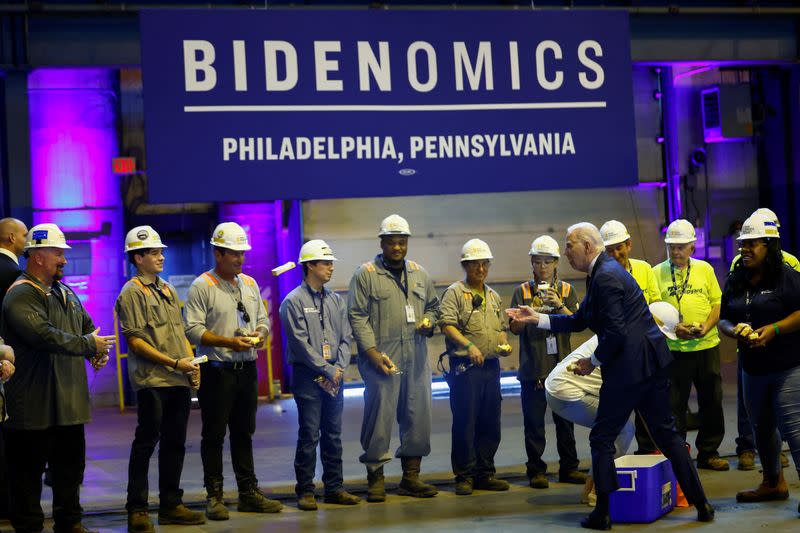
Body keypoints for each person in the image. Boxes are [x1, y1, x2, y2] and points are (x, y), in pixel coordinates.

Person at [506, 222, 713, 530]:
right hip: (650, 365)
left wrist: (592, 361)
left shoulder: (605, 277)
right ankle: (702, 504)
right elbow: (579, 320)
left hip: (629, 369)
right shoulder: (604, 272)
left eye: (569, 244)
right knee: (668, 436)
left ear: (588, 246)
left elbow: (614, 334)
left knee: (602, 438)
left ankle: (602, 513)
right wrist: (537, 318)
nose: (565, 251)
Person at [1, 223, 116, 533]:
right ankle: (29, 527)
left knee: (69, 469)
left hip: (67, 403)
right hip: (32, 406)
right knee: (27, 475)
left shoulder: (65, 292)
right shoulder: (20, 295)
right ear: (37, 255)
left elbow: (86, 327)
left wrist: (94, 348)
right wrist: (88, 345)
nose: (64, 259)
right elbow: (43, 336)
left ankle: (69, 522)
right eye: (57, 252)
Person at [184, 222, 281, 520]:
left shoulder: (249, 284)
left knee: (244, 433)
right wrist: (229, 341)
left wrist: (261, 334)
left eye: (242, 253)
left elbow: (263, 320)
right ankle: (214, 497)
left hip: (247, 369)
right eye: (233, 253)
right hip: (217, 371)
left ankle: (248, 493)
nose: (239, 259)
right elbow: (192, 330)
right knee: (213, 435)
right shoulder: (203, 285)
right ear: (218, 253)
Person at [546, 301, 681, 506]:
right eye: (661, 333)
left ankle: (591, 490)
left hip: (563, 388)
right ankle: (597, 491)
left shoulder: (625, 330)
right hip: (566, 391)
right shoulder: (627, 340)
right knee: (622, 430)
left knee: (616, 429)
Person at [115, 226, 205, 533]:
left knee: (175, 444)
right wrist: (174, 363)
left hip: (177, 378)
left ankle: (170, 505)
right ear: (138, 258)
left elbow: (177, 333)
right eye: (154, 252)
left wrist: (191, 365)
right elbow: (137, 343)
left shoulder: (167, 289)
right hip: (153, 380)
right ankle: (137, 509)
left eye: (160, 251)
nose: (161, 256)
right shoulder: (131, 293)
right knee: (145, 444)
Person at [348, 214, 440, 502]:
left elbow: (434, 307)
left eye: (402, 242)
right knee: (379, 418)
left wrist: (428, 320)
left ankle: (410, 477)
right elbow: (357, 316)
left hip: (416, 357)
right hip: (382, 360)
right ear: (382, 242)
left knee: (417, 416)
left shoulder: (420, 274)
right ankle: (375, 477)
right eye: (392, 242)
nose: (397, 248)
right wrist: (372, 353)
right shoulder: (365, 274)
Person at [718, 212, 800, 513]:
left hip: (788, 367)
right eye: (743, 244)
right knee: (762, 429)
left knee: (795, 429)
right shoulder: (737, 276)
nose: (745, 249)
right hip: (753, 369)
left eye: (753, 244)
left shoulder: (786, 275)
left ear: (770, 245)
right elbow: (725, 317)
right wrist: (734, 330)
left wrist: (774, 329)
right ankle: (773, 483)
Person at [279, 240, 361, 511]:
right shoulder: (293, 302)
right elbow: (300, 345)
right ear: (310, 266)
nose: (330, 268)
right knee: (309, 434)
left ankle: (335, 488)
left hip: (333, 374)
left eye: (330, 263)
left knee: (334, 434)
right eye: (326, 263)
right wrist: (327, 370)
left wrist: (337, 368)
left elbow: (346, 336)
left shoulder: (336, 300)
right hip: (308, 376)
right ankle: (305, 491)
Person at [652, 219, 728, 471]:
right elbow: (652, 311)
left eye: (681, 247)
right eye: (671, 247)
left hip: (706, 347)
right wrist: (674, 329)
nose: (675, 252)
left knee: (712, 402)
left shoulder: (705, 270)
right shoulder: (657, 272)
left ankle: (709, 452)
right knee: (674, 406)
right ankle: (678, 456)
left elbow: (717, 303)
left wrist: (706, 326)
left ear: (692, 247)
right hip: (673, 351)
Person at [508, 235, 583, 489]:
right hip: (533, 369)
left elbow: (575, 322)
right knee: (534, 424)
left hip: (561, 368)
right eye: (538, 262)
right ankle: (536, 471)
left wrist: (558, 305)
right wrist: (521, 318)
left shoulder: (566, 291)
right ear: (531, 263)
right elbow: (514, 329)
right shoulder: (522, 291)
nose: (542, 267)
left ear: (556, 263)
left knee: (566, 422)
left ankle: (569, 468)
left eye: (547, 262)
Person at [439, 239, 511, 495]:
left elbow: (501, 329)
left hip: (491, 368)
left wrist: (504, 345)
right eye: (474, 264)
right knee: (465, 422)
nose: (480, 269)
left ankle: (485, 473)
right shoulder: (455, 293)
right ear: (465, 265)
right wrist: (469, 346)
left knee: (491, 421)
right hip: (466, 370)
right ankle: (464, 476)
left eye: (484, 264)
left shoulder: (493, 296)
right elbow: (447, 324)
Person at [599, 220, 661, 455]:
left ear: (629, 244)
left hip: (646, 348)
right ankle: (615, 458)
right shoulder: (603, 276)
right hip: (619, 353)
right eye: (610, 249)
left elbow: (655, 301)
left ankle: (648, 450)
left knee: (649, 403)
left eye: (619, 247)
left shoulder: (644, 269)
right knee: (620, 407)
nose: (616, 253)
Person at [0, 217, 26, 519]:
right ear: (10, 237)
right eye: (22, 235)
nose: (26, 240)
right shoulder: (13, 274)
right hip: (10, 365)